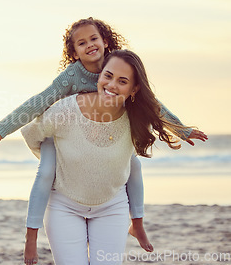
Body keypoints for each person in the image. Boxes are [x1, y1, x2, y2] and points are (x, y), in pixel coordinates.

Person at [0, 18, 207, 263]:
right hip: (65, 132)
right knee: (46, 171)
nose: (89, 45)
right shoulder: (71, 76)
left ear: (105, 41)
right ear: (74, 52)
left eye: (93, 39)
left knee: (134, 165)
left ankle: (137, 222)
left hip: (107, 136)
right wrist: (2, 128)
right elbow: (40, 101)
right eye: (82, 43)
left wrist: (182, 131)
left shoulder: (118, 65)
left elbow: (154, 106)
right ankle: (31, 235)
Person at [21, 49, 191, 264]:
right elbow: (32, 134)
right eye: (108, 76)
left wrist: (184, 131)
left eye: (122, 81)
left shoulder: (135, 118)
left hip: (111, 206)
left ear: (133, 89)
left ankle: (136, 226)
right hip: (64, 205)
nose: (111, 85)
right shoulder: (65, 110)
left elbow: (133, 166)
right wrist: (52, 158)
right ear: (99, 76)